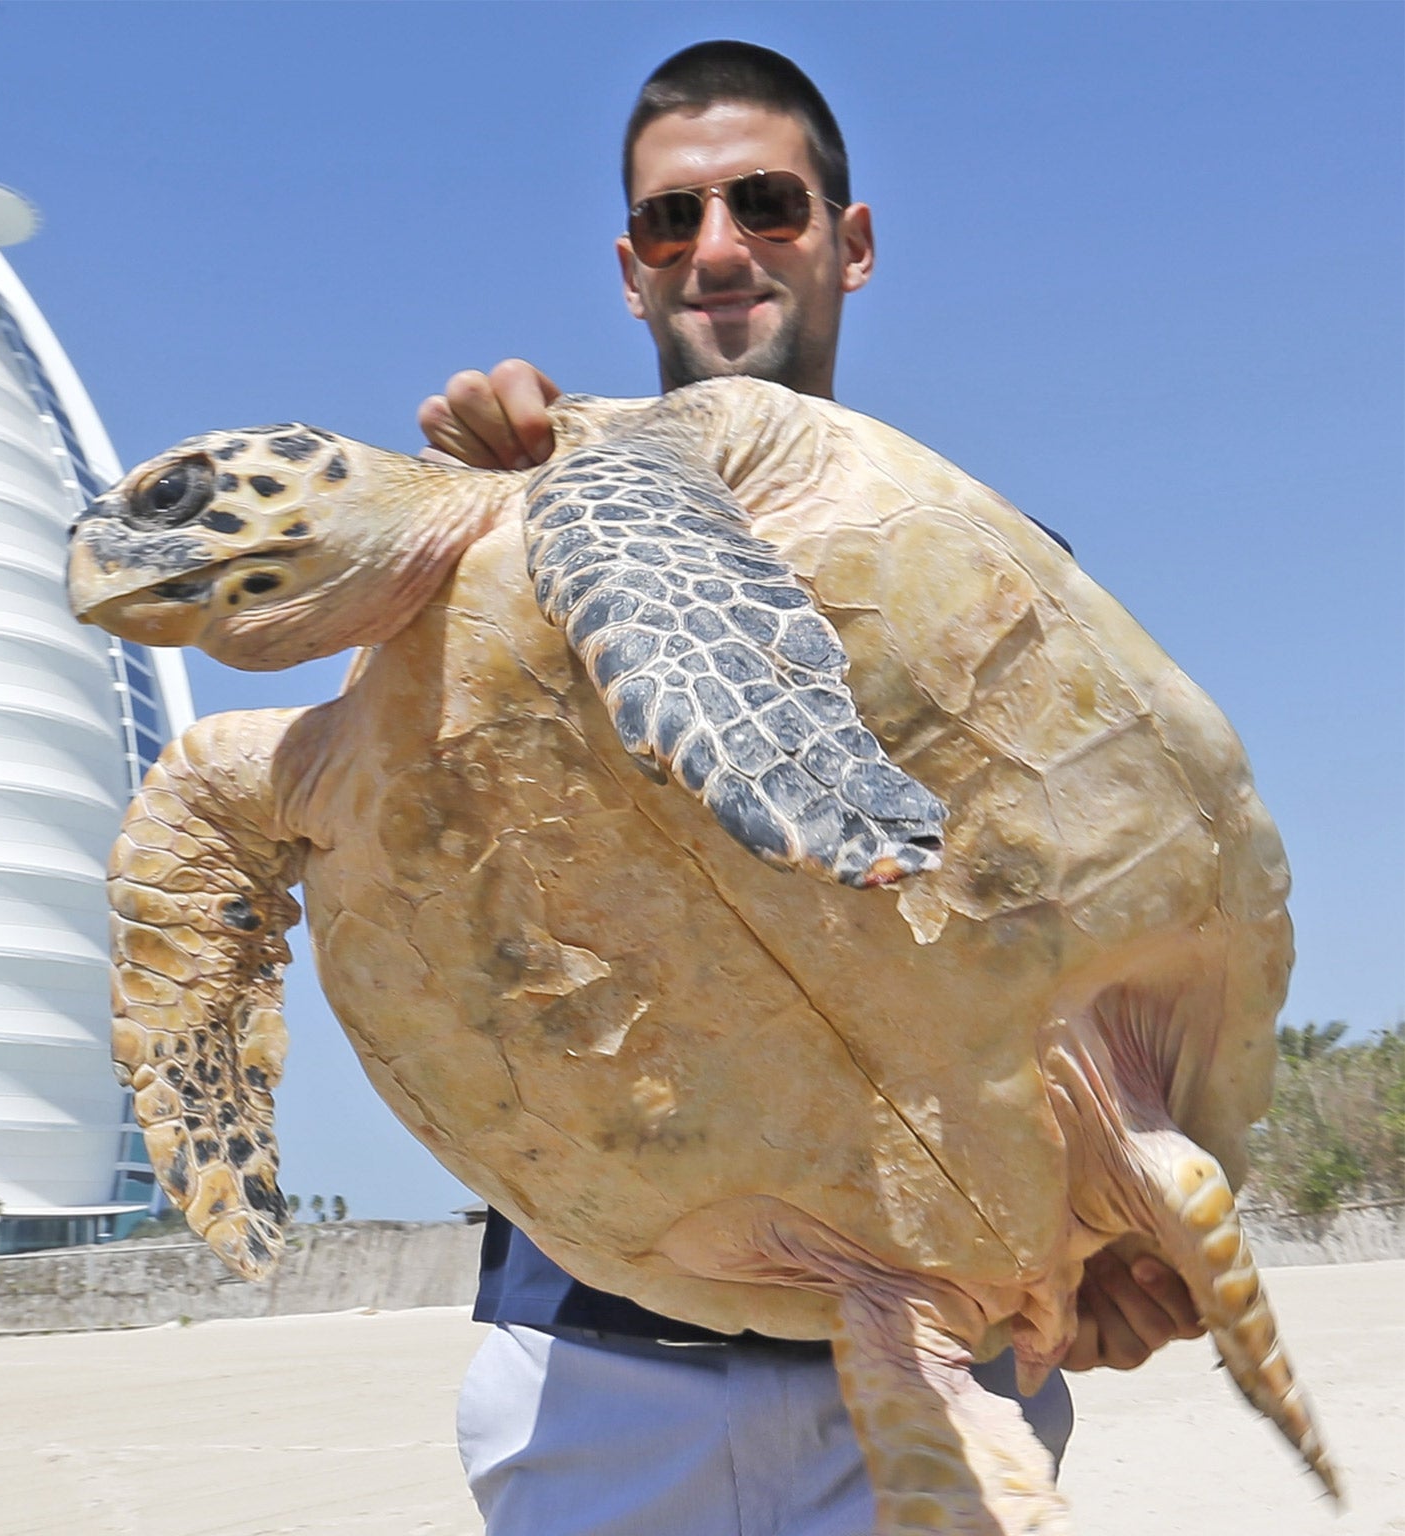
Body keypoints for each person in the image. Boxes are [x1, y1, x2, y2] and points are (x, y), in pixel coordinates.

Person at [418, 40, 1206, 1536]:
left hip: (932, 1351)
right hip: (598, 1363)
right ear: (629, 270)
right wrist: (460, 503)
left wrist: (1114, 1227)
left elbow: (1079, 941)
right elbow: (409, 832)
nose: (716, 248)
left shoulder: (992, 562)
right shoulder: (513, 522)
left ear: (847, 242)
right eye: (671, 220)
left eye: (764, 204)